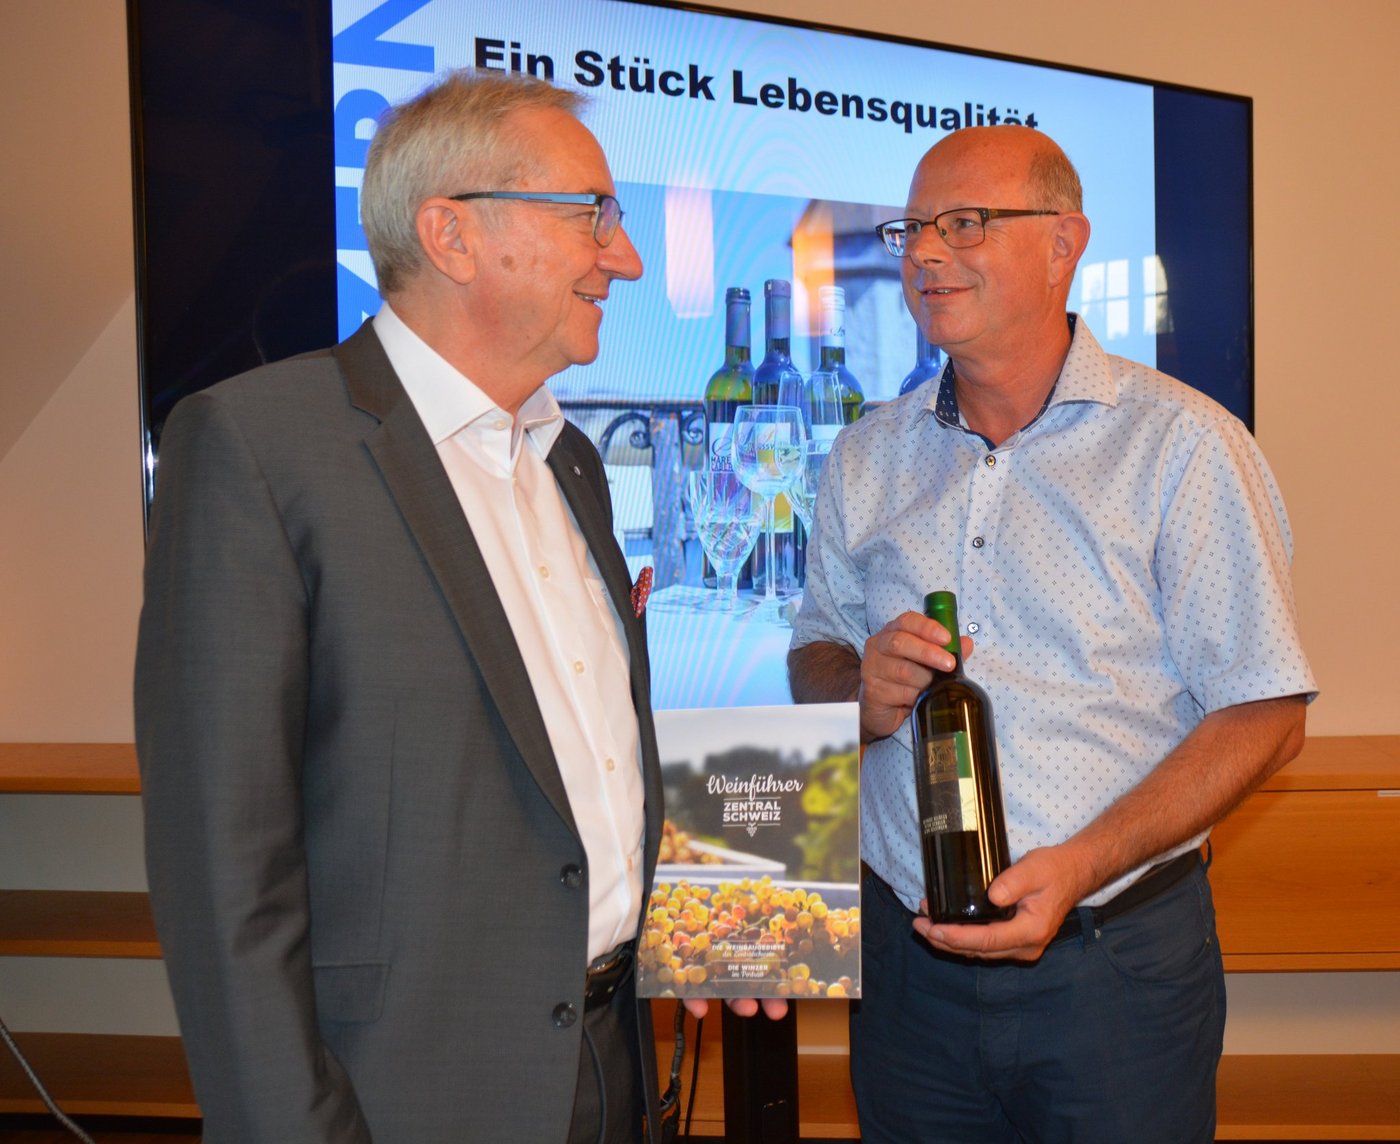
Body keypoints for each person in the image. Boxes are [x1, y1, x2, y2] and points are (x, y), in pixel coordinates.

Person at [136, 69, 670, 1143]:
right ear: (451, 233)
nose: (624, 256)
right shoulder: (257, 448)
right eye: (591, 216)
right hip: (405, 1098)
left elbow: (575, 766)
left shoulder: (572, 465)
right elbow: (224, 871)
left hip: (614, 1065)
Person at [788, 125, 1315, 1143]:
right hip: (905, 974)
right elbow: (813, 647)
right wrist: (855, 687)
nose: (924, 254)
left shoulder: (1184, 447)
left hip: (1112, 968)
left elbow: (1264, 712)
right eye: (912, 230)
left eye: (965, 224)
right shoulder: (863, 457)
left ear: (1064, 240)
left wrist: (1079, 861)